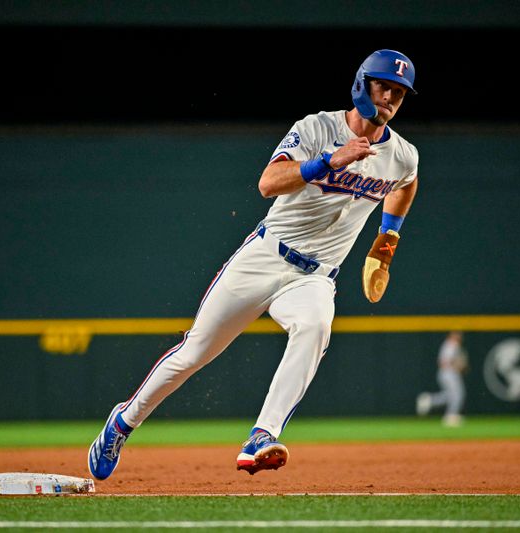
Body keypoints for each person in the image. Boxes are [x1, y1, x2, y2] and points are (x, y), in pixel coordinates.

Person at [88, 49, 420, 480]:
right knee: (194, 353)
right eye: (383, 86)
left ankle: (261, 436)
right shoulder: (317, 127)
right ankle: (122, 422)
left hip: (316, 277)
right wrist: (328, 161)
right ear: (361, 85)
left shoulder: (403, 155)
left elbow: (406, 183)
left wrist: (387, 237)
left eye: (399, 92)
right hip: (265, 255)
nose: (390, 98)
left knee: (315, 326)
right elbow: (268, 183)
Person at [416, 331, 468, 427]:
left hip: (447, 373)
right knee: (458, 394)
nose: (459, 336)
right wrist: (457, 366)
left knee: (450, 395)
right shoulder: (451, 344)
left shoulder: (450, 345)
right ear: (451, 335)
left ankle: (429, 400)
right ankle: (451, 416)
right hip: (449, 373)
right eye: (456, 334)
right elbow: (443, 361)